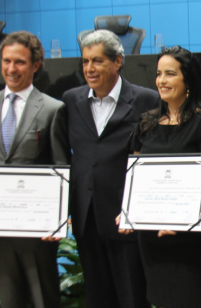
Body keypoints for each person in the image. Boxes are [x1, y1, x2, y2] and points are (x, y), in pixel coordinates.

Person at [0, 31, 70, 308]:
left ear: (36, 65)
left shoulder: (52, 109)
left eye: (20, 62)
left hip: (38, 232)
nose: (11, 69)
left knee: (42, 302)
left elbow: (61, 168)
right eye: (6, 61)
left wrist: (58, 219)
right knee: (10, 302)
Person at [124, 46, 201, 308]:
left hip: (195, 237)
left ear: (188, 79)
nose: (161, 80)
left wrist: (184, 213)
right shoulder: (146, 123)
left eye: (170, 74)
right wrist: (129, 208)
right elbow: (136, 177)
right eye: (159, 74)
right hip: (155, 238)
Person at [63, 30, 159, 308]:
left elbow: (149, 161)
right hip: (86, 217)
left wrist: (135, 207)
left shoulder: (146, 100)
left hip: (124, 218)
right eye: (85, 62)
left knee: (131, 297)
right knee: (97, 297)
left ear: (117, 61)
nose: (89, 69)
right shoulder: (71, 100)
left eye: (97, 61)